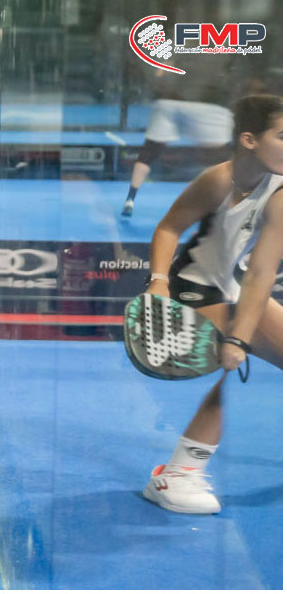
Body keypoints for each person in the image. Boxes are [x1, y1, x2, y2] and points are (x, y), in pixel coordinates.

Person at [141, 94, 282, 514]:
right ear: (250, 140)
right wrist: (158, 284)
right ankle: (176, 476)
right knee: (237, 363)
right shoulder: (217, 180)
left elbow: (261, 273)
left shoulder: (280, 194)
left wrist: (240, 337)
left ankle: (177, 472)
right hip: (190, 292)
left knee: (239, 360)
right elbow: (169, 228)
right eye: (283, 136)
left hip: (235, 289)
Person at [121, 69, 234, 217]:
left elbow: (159, 76)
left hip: (168, 104)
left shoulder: (174, 66)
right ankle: (218, 203)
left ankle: (130, 199)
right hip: (208, 107)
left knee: (149, 152)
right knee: (219, 159)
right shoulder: (215, 69)